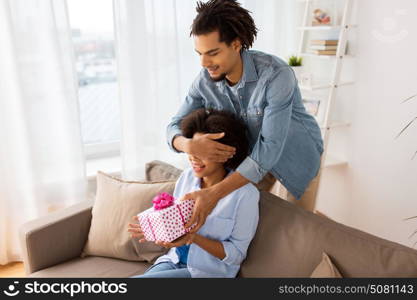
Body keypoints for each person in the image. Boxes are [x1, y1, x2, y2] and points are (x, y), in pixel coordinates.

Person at [166, 0, 323, 232]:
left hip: (296, 155)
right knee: (251, 228)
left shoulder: (276, 75)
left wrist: (214, 193)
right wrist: (190, 145)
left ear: (236, 44)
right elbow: (172, 126)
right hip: (251, 160)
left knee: (297, 232)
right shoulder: (205, 80)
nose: (204, 62)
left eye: (213, 53)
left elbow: (270, 147)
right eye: (199, 53)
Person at [128, 108, 260, 278]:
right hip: (172, 261)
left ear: (225, 152)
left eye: (202, 153)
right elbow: (176, 223)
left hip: (207, 273)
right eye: (192, 150)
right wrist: (157, 228)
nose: (193, 158)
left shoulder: (245, 194)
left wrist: (192, 238)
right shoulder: (187, 177)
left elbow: (236, 255)